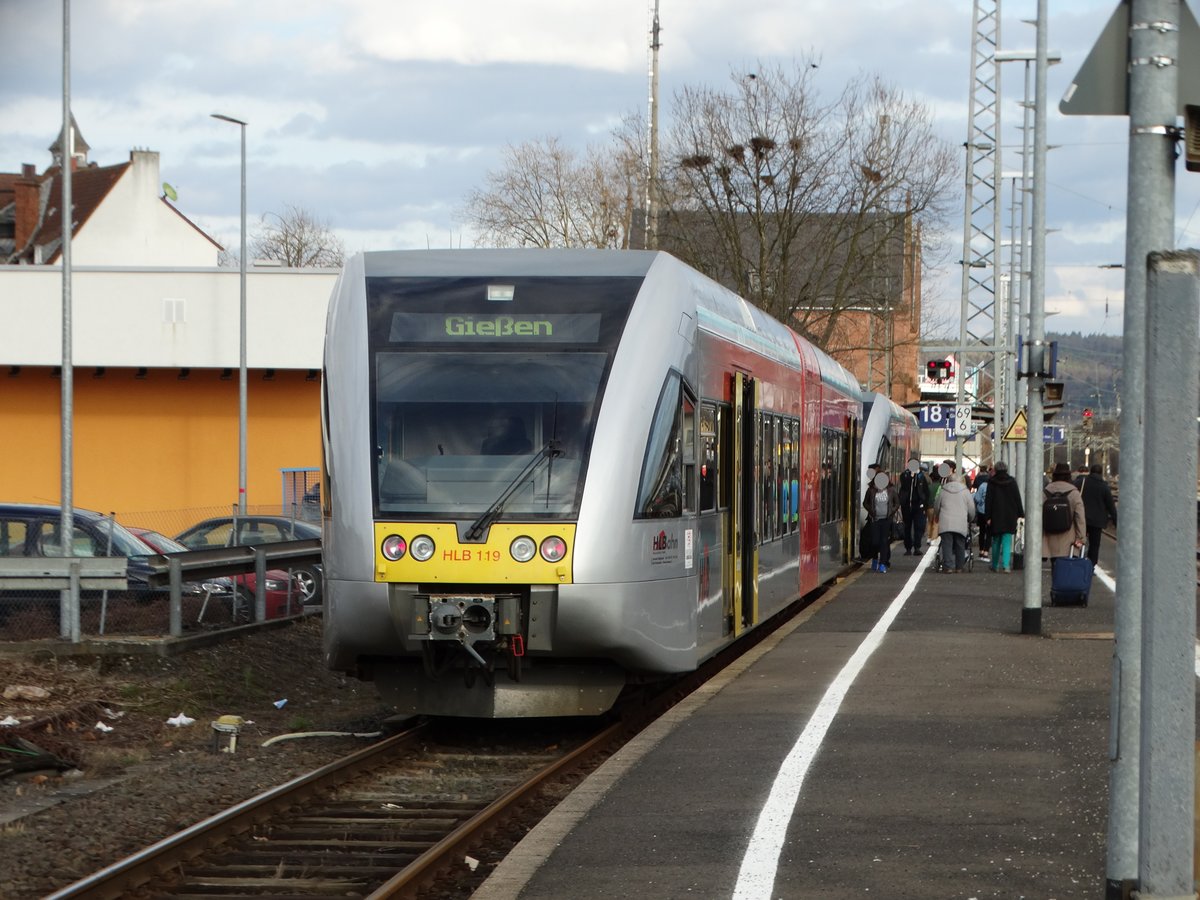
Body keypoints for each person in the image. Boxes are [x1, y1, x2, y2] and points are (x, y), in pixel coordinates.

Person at [1073, 463, 1118, 566]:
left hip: (1082, 518)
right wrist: (1116, 522)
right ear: (1101, 473)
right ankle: (1091, 565)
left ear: (1091, 472)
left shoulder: (1081, 482)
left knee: (1079, 540)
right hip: (1097, 521)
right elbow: (1111, 505)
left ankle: (1076, 560)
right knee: (1094, 545)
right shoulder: (1104, 486)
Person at [983, 460, 1024, 572]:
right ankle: (1006, 565)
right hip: (1010, 515)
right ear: (1006, 469)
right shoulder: (1012, 482)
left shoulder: (992, 482)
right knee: (1007, 540)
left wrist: (988, 517)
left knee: (996, 540)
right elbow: (1017, 498)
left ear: (995, 470)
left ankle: (995, 565)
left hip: (995, 515)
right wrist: (1021, 513)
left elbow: (988, 500)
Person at [1042, 461, 1086, 563]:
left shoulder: (1045, 492)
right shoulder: (1074, 493)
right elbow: (1080, 517)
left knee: (1055, 566)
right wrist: (1081, 538)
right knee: (1066, 571)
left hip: (1049, 537)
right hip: (1068, 539)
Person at [934, 469, 976, 573]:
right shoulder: (966, 492)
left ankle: (948, 566)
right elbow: (971, 508)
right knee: (960, 544)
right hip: (960, 522)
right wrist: (970, 518)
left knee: (947, 544)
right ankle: (959, 567)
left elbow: (936, 506)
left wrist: (937, 515)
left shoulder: (943, 490)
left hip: (945, 522)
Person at [863, 469, 899, 573]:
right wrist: (871, 512)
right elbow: (865, 503)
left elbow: (896, 503)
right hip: (875, 519)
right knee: (875, 541)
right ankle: (874, 558)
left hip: (886, 519)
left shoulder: (891, 490)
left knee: (884, 541)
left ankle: (882, 563)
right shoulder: (871, 490)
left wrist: (891, 512)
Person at [897, 457, 930, 556]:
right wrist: (911, 476)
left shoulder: (921, 476)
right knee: (907, 527)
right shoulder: (905, 475)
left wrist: (924, 504)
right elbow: (904, 486)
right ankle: (908, 547)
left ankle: (917, 547)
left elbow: (926, 491)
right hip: (907, 505)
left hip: (918, 505)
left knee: (918, 527)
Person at [972, 467, 991, 561]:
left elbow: (977, 498)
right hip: (991, 512)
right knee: (989, 532)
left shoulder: (982, 486)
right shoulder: (994, 486)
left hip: (981, 511)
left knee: (982, 532)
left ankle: (981, 550)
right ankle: (986, 551)